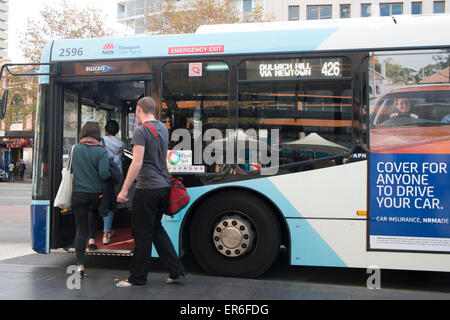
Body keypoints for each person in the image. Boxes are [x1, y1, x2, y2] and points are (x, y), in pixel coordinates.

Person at [116, 96, 186, 288]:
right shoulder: (162, 128)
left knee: (142, 234)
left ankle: (137, 278)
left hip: (147, 188)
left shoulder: (140, 130)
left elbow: (137, 162)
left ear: (139, 110)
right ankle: (176, 270)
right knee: (156, 230)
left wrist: (124, 190)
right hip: (163, 187)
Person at [71, 122, 111, 278]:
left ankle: (80, 266)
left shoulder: (75, 149)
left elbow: (72, 170)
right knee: (93, 213)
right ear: (97, 133)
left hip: (78, 193)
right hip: (95, 194)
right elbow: (104, 174)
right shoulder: (101, 150)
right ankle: (93, 239)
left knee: (80, 230)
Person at [101, 120, 125, 245]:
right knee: (113, 202)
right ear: (117, 131)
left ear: (106, 130)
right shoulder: (121, 144)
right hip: (118, 176)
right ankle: (109, 230)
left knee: (106, 202)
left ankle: (106, 232)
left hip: (106, 175)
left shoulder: (102, 141)